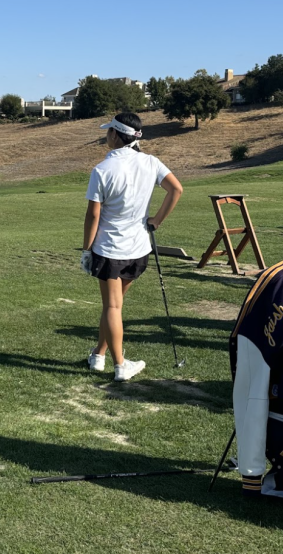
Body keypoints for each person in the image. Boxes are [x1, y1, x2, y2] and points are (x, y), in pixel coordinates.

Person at [81, 113, 183, 382]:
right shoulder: (151, 162)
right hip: (138, 249)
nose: (106, 136)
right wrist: (156, 221)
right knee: (114, 305)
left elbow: (93, 216)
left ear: (115, 135)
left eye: (108, 132)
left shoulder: (102, 170)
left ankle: (120, 365)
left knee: (112, 307)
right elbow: (176, 190)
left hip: (110, 249)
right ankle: (98, 354)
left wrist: (85, 249)